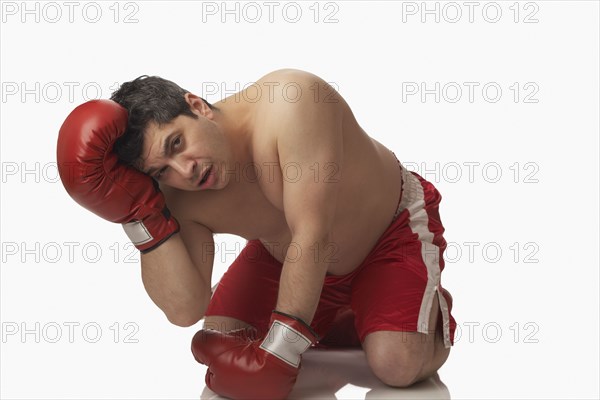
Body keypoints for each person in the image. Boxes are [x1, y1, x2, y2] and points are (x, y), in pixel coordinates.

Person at [57, 69, 457, 400]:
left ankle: (418, 308)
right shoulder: (178, 192)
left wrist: (281, 351)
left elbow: (313, 232)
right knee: (222, 339)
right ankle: (348, 315)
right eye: (162, 170)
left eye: (177, 143)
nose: (185, 171)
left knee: (397, 365)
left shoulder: (291, 103)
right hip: (284, 253)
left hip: (386, 233)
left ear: (196, 105)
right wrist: (137, 215)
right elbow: (185, 309)